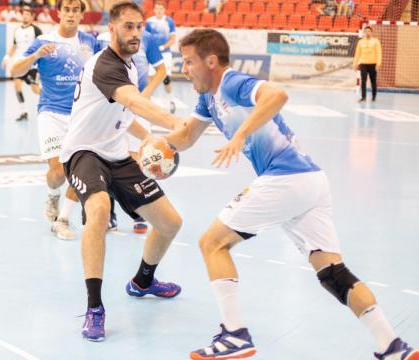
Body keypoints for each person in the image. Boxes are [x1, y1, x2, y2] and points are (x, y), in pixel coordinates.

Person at [160, 28, 417, 360]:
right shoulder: (207, 98)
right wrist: (156, 146)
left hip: (286, 179)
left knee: (212, 242)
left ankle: (235, 336)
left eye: (189, 61)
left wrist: (239, 135)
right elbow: (186, 137)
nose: (185, 68)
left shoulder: (233, 82)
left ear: (211, 61)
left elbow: (277, 95)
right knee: (332, 273)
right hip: (310, 183)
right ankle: (392, 346)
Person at [61, 1, 185, 342]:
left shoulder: (129, 68)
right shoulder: (105, 65)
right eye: (128, 26)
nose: (135, 33)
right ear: (112, 29)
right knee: (99, 210)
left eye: (139, 27)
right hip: (84, 152)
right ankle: (94, 308)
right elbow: (137, 103)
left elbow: (124, 115)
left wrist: (149, 140)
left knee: (170, 222)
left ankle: (143, 280)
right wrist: (177, 124)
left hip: (117, 155)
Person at [10, 0, 101, 240]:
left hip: (80, 116)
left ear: (82, 14)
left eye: (75, 10)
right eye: (66, 10)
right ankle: (52, 194)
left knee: (78, 171)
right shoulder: (43, 42)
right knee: (58, 172)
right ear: (58, 13)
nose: (70, 15)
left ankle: (63, 220)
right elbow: (14, 71)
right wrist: (37, 55)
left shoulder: (90, 43)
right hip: (51, 113)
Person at [96, 25, 166, 234]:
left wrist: (144, 95)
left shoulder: (147, 39)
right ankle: (110, 215)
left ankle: (139, 211)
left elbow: (161, 70)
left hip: (139, 106)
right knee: (108, 159)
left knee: (139, 160)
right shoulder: (100, 38)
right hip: (112, 105)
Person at [2, 6, 43, 121]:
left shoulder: (36, 30)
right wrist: (6, 57)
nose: (25, 16)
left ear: (32, 17)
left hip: (31, 65)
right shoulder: (17, 30)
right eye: (23, 14)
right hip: (19, 64)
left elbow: (41, 46)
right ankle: (23, 111)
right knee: (17, 86)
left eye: (27, 14)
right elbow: (14, 46)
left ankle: (50, 100)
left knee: (35, 90)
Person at [145, 1, 176, 113]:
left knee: (165, 78)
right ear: (154, 9)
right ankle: (148, 102)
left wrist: (163, 47)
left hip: (165, 53)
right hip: (152, 53)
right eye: (157, 8)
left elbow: (173, 39)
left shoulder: (169, 21)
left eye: (160, 9)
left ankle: (170, 100)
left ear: (164, 10)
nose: (158, 11)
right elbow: (146, 37)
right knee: (150, 78)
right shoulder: (149, 22)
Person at [354, 26, 382, 102]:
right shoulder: (360, 42)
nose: (367, 32)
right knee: (363, 81)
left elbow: (379, 53)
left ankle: (373, 97)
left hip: (373, 64)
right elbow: (357, 54)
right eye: (366, 31)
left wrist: (378, 64)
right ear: (364, 32)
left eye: (369, 31)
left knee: (373, 81)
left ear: (371, 32)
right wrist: (355, 64)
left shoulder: (376, 41)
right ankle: (363, 97)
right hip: (363, 64)